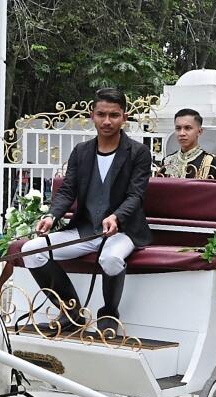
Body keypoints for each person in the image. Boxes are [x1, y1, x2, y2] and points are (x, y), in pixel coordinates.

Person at [21, 87, 151, 326]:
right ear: (92, 115)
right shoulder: (81, 151)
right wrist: (51, 215)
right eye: (101, 114)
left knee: (110, 259)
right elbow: (68, 189)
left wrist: (116, 217)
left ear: (124, 117)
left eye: (114, 115)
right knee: (32, 251)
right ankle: (71, 310)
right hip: (84, 229)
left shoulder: (138, 152)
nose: (107, 121)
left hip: (123, 231)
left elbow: (136, 195)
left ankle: (109, 313)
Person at [160, 108, 216, 180]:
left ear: (199, 131)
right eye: (178, 128)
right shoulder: (168, 161)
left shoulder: (209, 161)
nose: (182, 133)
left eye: (187, 128)